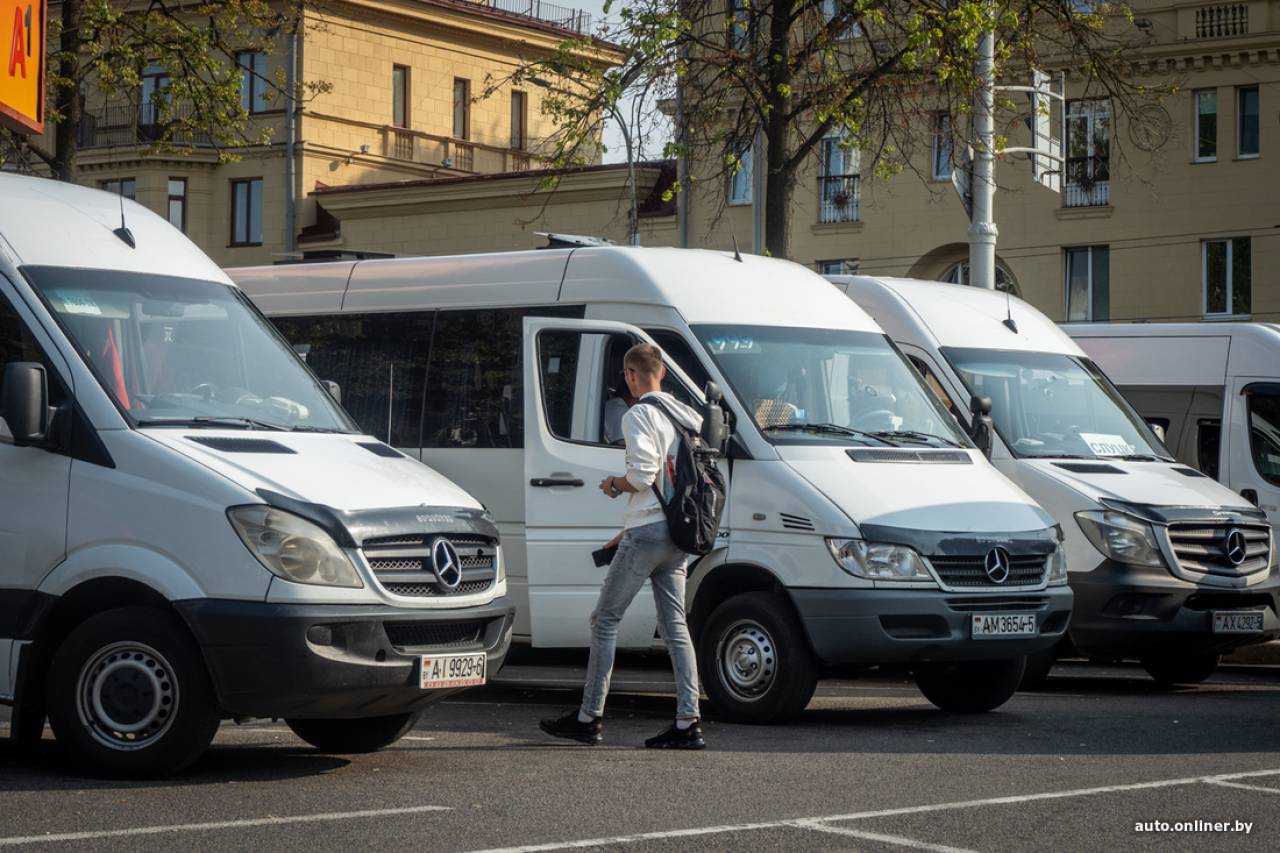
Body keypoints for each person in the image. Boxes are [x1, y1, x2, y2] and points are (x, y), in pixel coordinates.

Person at [540, 343, 706, 749]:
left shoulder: (638, 414)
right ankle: (688, 722)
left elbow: (644, 473)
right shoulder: (687, 416)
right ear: (662, 372)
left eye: (629, 376)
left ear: (632, 376)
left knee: (605, 620)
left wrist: (615, 485)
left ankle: (588, 717)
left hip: (648, 531)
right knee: (675, 629)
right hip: (677, 534)